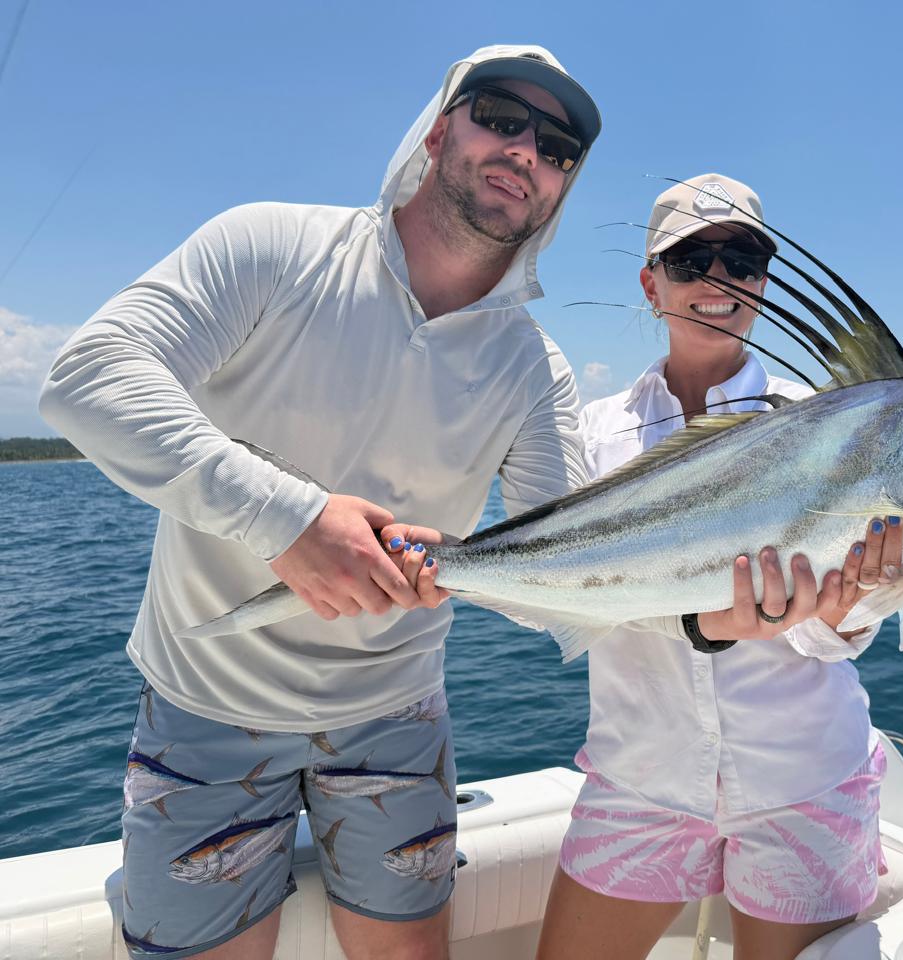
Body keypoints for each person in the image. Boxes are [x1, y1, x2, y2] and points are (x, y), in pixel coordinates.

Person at [40, 44, 604, 960]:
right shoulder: (273, 246)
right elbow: (90, 378)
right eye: (502, 116)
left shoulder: (534, 368)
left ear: (563, 185)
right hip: (204, 701)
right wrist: (289, 520)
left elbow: (567, 572)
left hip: (398, 714)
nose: (526, 151)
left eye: (558, 146)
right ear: (437, 131)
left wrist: (724, 610)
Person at [529, 175, 903, 960]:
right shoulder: (590, 436)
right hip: (640, 778)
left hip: (802, 781)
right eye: (691, 261)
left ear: (764, 282)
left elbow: (825, 640)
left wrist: (847, 608)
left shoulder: (835, 428)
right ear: (650, 284)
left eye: (743, 261)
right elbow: (552, 586)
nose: (718, 279)